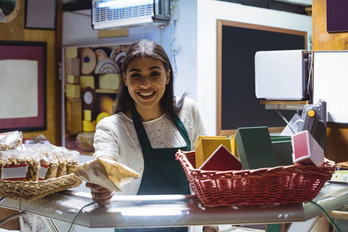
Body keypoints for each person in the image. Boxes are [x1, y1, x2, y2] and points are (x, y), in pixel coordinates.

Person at [86, 40, 218, 232]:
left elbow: (207, 169)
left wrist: (211, 224)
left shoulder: (188, 110)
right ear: (125, 79)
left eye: (154, 74)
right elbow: (105, 161)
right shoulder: (111, 126)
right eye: (136, 75)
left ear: (167, 76)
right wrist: (102, 183)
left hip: (181, 228)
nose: (145, 84)